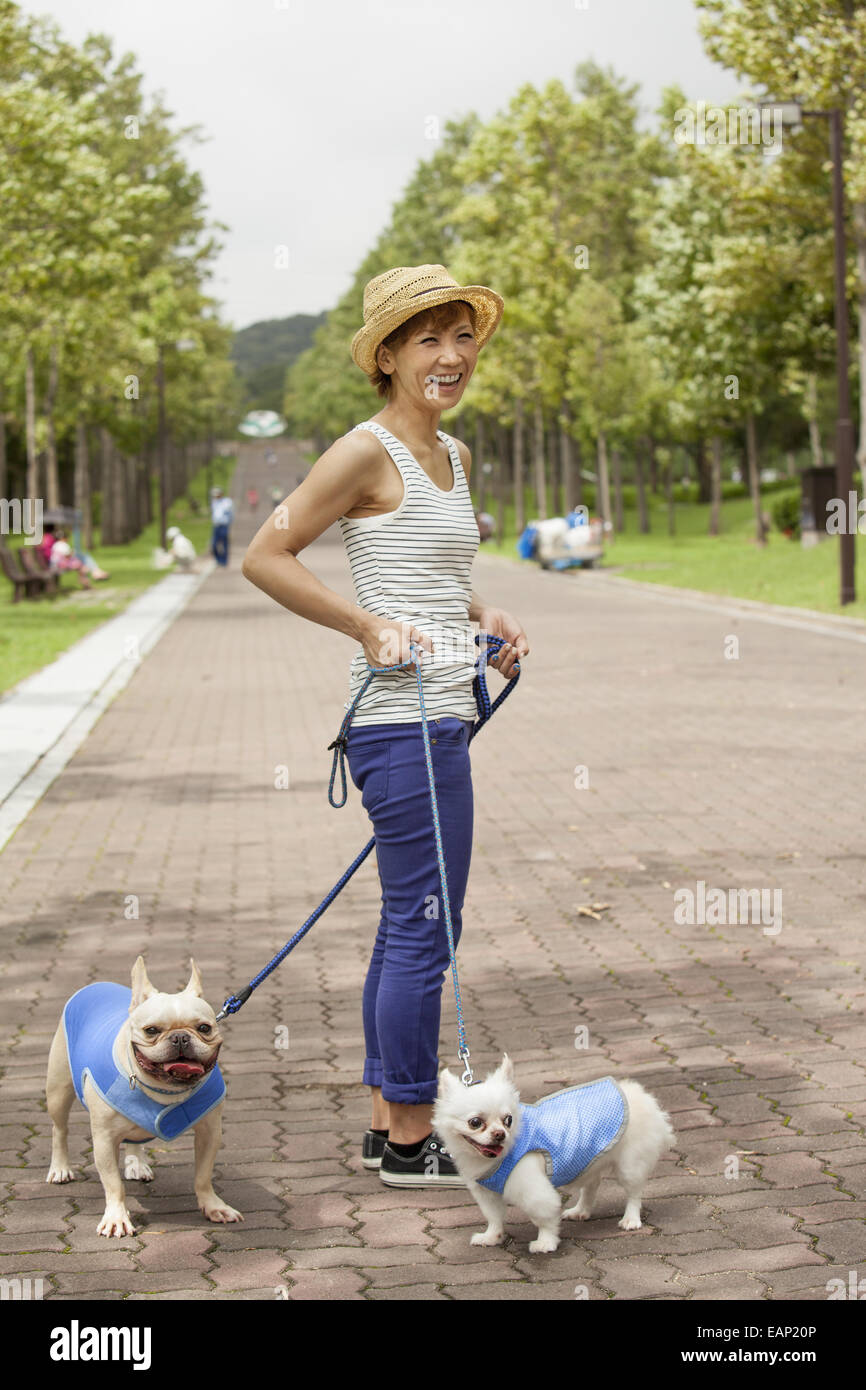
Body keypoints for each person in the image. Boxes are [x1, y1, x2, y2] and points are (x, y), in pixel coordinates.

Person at [242, 264, 529, 1189]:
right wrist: (365, 626)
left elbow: (432, 575)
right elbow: (265, 555)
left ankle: (386, 1123)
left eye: (462, 337)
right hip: (399, 722)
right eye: (428, 340)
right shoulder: (364, 452)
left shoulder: (456, 456)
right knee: (424, 927)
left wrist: (481, 618)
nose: (451, 357)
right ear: (390, 356)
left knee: (407, 924)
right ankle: (413, 1141)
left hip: (442, 710)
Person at [210, 487, 234, 566]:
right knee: (214, 544)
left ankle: (224, 561)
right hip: (216, 526)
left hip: (224, 525)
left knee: (224, 543)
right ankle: (218, 559)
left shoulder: (227, 502)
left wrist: (229, 523)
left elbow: (230, 514)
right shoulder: (214, 502)